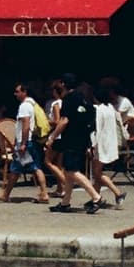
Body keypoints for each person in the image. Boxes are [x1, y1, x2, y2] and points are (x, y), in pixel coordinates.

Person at [47, 76, 99, 213]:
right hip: (82, 138)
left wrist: (52, 137)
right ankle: (65, 202)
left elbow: (64, 120)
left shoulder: (68, 99)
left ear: (63, 84)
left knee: (72, 171)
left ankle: (96, 197)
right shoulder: (81, 97)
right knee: (68, 171)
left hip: (72, 139)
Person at [0, 82, 50, 205]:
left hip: (25, 142)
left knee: (15, 169)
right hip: (30, 142)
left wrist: (22, 143)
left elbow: (26, 125)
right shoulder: (33, 104)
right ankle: (44, 193)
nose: (15, 94)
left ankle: (5, 194)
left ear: (24, 92)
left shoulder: (24, 106)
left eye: (17, 91)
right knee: (36, 167)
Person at [89, 84, 127, 208]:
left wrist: (92, 144)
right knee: (97, 172)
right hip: (110, 143)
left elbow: (97, 129)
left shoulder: (98, 110)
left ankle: (117, 192)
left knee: (97, 174)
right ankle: (96, 197)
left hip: (101, 144)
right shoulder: (111, 108)